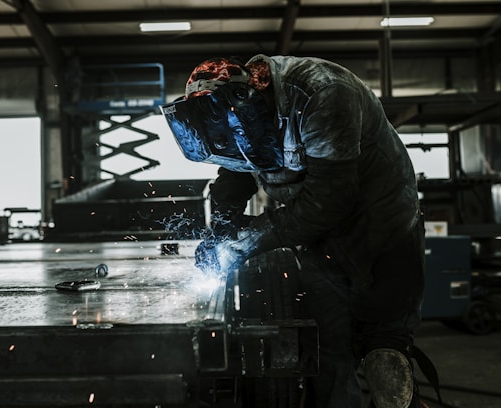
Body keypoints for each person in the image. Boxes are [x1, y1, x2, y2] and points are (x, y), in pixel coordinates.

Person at [161, 55, 429, 408]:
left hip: (382, 231)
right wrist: (220, 230)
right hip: (319, 239)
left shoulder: (322, 92)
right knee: (328, 351)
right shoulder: (240, 115)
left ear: (251, 99)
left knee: (382, 349)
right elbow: (235, 171)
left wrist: (244, 244)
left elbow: (328, 203)